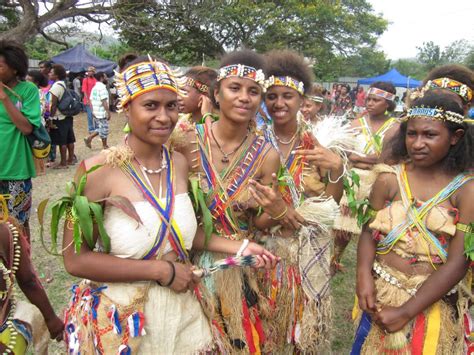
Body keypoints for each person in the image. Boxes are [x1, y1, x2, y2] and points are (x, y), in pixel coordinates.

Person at [353, 88, 474, 354]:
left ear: (455, 137)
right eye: (412, 133)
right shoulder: (388, 179)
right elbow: (367, 232)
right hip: (381, 298)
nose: (418, 143)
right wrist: (363, 276)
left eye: (430, 135)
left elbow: (458, 261)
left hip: (431, 304)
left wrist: (406, 311)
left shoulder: (466, 191)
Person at [177, 50, 281, 353]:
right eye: (235, 88)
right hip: (188, 263)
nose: (244, 97)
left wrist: (273, 210)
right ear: (216, 94)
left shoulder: (267, 155)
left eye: (254, 91)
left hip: (239, 267)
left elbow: (260, 223)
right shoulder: (185, 141)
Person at [257, 50, 344, 352]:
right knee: (265, 318)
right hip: (267, 243)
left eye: (287, 96)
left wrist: (337, 168)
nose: (279, 104)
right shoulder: (254, 140)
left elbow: (331, 205)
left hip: (310, 246)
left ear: (302, 100)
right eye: (271, 96)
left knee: (305, 322)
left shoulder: (319, 143)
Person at [332, 81, 399, 272]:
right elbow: (346, 154)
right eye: (368, 99)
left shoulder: (396, 127)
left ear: (388, 104)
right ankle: (335, 258)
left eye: (375, 100)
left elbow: (389, 159)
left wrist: (362, 159)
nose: (369, 103)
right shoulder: (355, 123)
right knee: (343, 227)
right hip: (354, 181)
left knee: (374, 226)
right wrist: (369, 159)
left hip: (380, 182)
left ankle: (374, 263)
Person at [0, 197, 63, 353]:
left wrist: (51, 319)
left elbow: (29, 280)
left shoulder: (7, 231)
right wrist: (51, 319)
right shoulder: (6, 231)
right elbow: (28, 281)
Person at [0, 41, 41, 238]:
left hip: (15, 169)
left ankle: (22, 268)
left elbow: (26, 128)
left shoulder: (28, 90)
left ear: (15, 69)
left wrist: (4, 98)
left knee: (18, 225)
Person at [48, 64, 76, 169]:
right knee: (70, 138)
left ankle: (63, 163)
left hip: (59, 117)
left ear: (56, 75)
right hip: (68, 115)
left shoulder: (55, 87)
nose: (49, 74)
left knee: (62, 141)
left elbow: (53, 105)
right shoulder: (64, 85)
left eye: (51, 72)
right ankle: (70, 159)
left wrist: (50, 119)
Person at [176, 66, 217, 130]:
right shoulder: (179, 121)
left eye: (184, 91)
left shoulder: (220, 124)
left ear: (205, 95)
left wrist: (207, 114)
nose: (178, 97)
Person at [26, 70, 50, 176]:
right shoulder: (31, 91)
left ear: (36, 82)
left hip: (37, 123)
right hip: (33, 122)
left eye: (29, 79)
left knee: (37, 146)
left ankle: (40, 169)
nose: (26, 80)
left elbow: (40, 110)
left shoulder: (38, 92)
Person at [84, 71, 110, 149]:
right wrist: (108, 112)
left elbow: (91, 99)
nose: (107, 78)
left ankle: (89, 138)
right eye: (105, 77)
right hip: (101, 112)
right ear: (101, 78)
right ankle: (104, 145)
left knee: (100, 128)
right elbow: (104, 101)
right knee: (104, 128)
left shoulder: (94, 88)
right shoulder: (102, 88)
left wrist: (92, 111)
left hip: (95, 111)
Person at [81, 66, 97, 135]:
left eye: (91, 71)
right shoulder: (85, 80)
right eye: (88, 71)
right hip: (88, 100)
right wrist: (87, 99)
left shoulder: (95, 80)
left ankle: (97, 128)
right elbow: (84, 90)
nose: (89, 72)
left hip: (95, 99)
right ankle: (91, 128)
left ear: (93, 72)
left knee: (96, 114)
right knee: (90, 115)